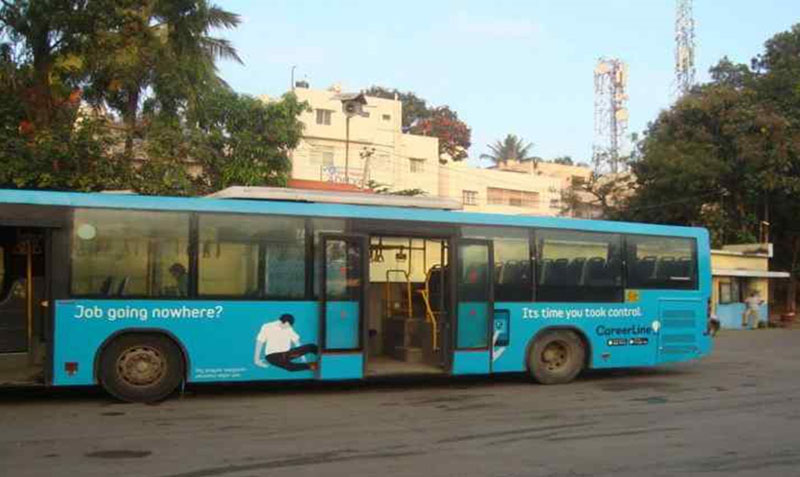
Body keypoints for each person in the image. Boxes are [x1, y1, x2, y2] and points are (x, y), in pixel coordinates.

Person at [254, 314, 318, 371]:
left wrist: (302, 356)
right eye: (288, 326)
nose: (288, 328)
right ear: (285, 322)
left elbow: (296, 341)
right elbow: (260, 341)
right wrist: (256, 359)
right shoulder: (267, 326)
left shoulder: (288, 327)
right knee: (291, 367)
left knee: (311, 346)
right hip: (273, 356)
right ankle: (313, 366)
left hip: (287, 354)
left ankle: (325, 355)